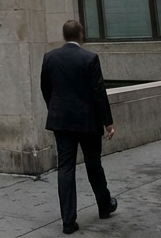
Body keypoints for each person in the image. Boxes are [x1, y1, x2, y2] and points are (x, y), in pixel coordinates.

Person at [39, 20, 118, 235]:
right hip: (87, 122)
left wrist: (55, 109)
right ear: (81, 34)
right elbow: (98, 92)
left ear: (64, 35)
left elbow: (45, 88)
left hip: (61, 121)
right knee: (94, 164)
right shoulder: (90, 58)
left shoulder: (50, 57)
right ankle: (104, 205)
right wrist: (107, 122)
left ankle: (68, 222)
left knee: (65, 168)